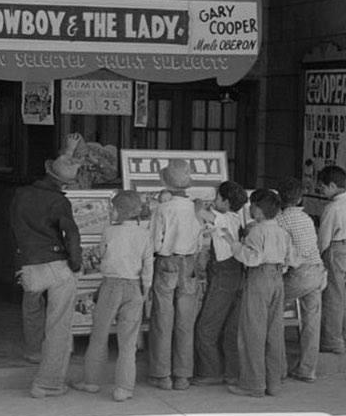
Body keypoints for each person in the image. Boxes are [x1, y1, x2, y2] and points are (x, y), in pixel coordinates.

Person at [10, 154, 82, 398]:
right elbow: (71, 234)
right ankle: (48, 383)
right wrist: (75, 263)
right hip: (54, 263)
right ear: (65, 184)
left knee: (32, 307)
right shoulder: (59, 202)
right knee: (58, 326)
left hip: (28, 262)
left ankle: (33, 351)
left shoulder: (21, 194)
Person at [71, 191, 153, 402]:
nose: (110, 211)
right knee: (128, 341)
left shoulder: (109, 232)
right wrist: (145, 290)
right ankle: (124, 388)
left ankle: (91, 381)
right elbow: (148, 266)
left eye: (113, 208)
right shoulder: (144, 234)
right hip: (135, 286)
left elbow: (102, 255)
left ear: (120, 211)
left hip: (110, 285)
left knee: (99, 335)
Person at [222, 189, 293, 397]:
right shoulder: (282, 232)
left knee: (252, 332)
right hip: (277, 278)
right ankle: (274, 382)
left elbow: (252, 258)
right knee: (274, 332)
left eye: (252, 205)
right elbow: (291, 259)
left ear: (259, 210)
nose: (250, 209)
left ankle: (252, 384)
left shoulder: (257, 232)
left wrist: (234, 244)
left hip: (259, 278)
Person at [148, 159, 202, 391]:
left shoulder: (163, 209)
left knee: (162, 319)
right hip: (188, 263)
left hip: (166, 262)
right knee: (185, 322)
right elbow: (200, 240)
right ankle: (183, 375)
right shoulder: (195, 209)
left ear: (165, 183)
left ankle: (162, 375)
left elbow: (154, 241)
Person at [191, 181, 248, 387]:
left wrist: (197, 201)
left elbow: (201, 212)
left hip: (224, 275)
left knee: (207, 326)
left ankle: (210, 372)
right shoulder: (236, 218)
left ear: (226, 202)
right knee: (229, 326)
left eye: (217, 198)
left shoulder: (224, 218)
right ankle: (230, 372)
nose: (214, 202)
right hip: (234, 274)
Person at [277, 177, 327, 384]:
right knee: (311, 323)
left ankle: (277, 367)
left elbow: (282, 250)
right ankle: (307, 370)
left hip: (299, 274)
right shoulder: (306, 219)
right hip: (318, 271)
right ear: (299, 199)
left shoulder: (281, 220)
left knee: (271, 310)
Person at [317, 166, 346, 354]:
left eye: (323, 187)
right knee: (341, 295)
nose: (322, 191)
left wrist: (317, 257)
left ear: (332, 185)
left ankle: (333, 340)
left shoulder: (332, 208)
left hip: (333, 249)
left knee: (332, 297)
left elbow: (324, 238)